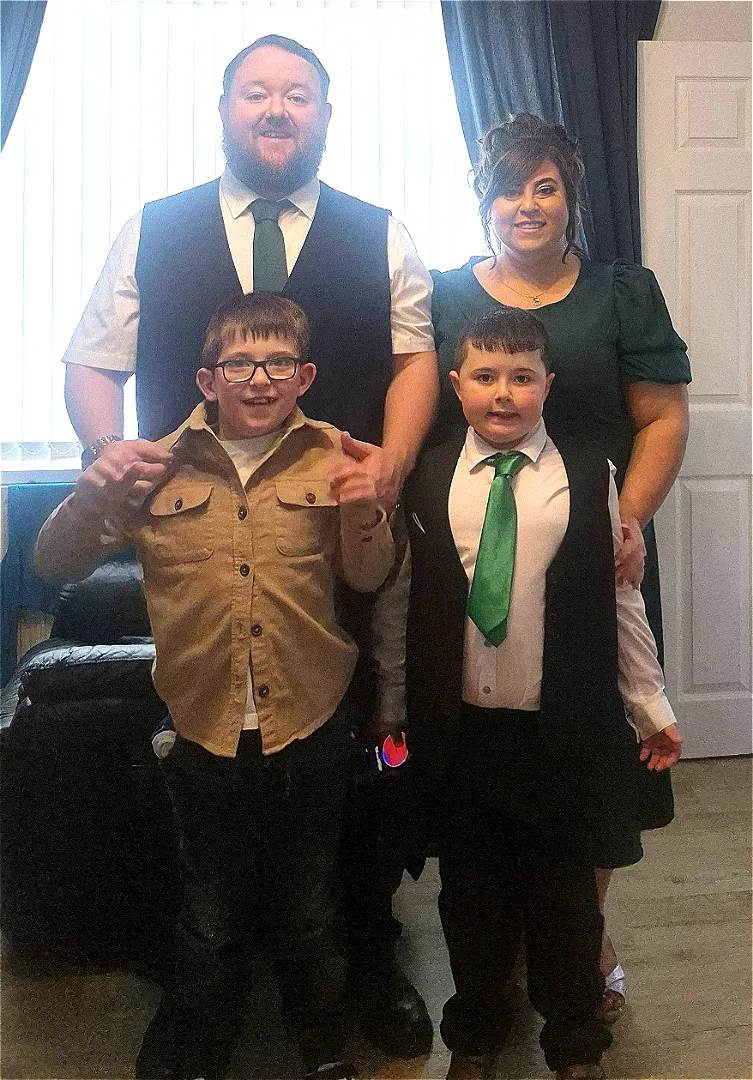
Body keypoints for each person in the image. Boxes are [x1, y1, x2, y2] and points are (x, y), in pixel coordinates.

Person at [61, 34, 436, 1056]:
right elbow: (93, 360)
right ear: (224, 109)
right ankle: (206, 979)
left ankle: (368, 949)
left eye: (298, 95)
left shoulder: (382, 231)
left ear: (325, 116)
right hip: (203, 549)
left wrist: (391, 464)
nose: (278, 109)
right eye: (257, 93)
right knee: (212, 761)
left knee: (371, 747)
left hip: (342, 539)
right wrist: (106, 452)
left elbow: (414, 358)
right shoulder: (151, 228)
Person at [35, 293, 398, 1080]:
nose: (259, 379)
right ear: (208, 379)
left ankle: (322, 1052)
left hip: (310, 722)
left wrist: (367, 511)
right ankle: (201, 1051)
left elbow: (369, 576)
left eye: (277, 363)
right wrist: (90, 494)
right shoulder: (152, 465)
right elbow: (52, 563)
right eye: (240, 364)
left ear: (303, 375)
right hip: (202, 728)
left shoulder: (336, 456)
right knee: (210, 916)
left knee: (311, 909)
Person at [429, 113, 691, 1019]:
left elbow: (661, 417)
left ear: (570, 198)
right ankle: (503, 946)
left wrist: (628, 518)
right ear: (484, 201)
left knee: (591, 759)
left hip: (598, 553)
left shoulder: (624, 291)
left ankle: (583, 940)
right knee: (487, 762)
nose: (527, 204)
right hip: (480, 553)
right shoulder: (440, 297)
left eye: (545, 187)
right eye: (509, 188)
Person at [402, 308, 682, 1080]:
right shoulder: (429, 477)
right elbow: (402, 602)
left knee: (566, 906)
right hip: (462, 734)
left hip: (560, 734)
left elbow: (621, 600)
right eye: (485, 376)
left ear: (547, 386)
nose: (503, 393)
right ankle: (475, 1039)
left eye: (521, 378)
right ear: (456, 385)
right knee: (470, 903)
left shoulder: (589, 474)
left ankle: (574, 1046)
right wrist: (392, 709)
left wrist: (649, 706)